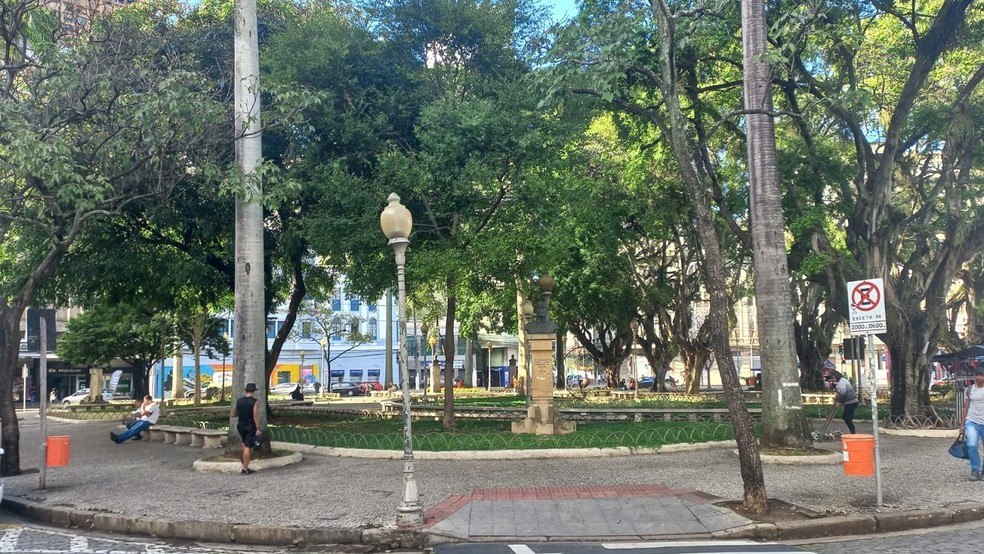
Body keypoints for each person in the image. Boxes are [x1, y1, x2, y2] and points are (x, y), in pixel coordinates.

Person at [233, 382, 262, 475]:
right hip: (250, 426)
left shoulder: (239, 401)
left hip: (241, 425)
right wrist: (258, 427)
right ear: (253, 391)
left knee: (244, 442)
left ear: (246, 391)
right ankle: (245, 468)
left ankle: (244, 459)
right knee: (247, 446)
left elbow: (234, 413)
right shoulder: (254, 401)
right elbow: (255, 416)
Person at [961, 368, 984, 480]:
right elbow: (965, 407)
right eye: (977, 375)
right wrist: (962, 425)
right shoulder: (969, 390)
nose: (979, 377)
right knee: (971, 445)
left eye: (981, 375)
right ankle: (975, 470)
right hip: (972, 421)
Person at [830, 370, 859, 434]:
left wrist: (839, 401)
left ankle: (853, 433)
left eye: (833, 377)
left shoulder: (842, 381)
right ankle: (852, 432)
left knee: (847, 418)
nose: (833, 379)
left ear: (837, 376)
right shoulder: (840, 382)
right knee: (846, 417)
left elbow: (843, 393)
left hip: (851, 402)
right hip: (850, 402)